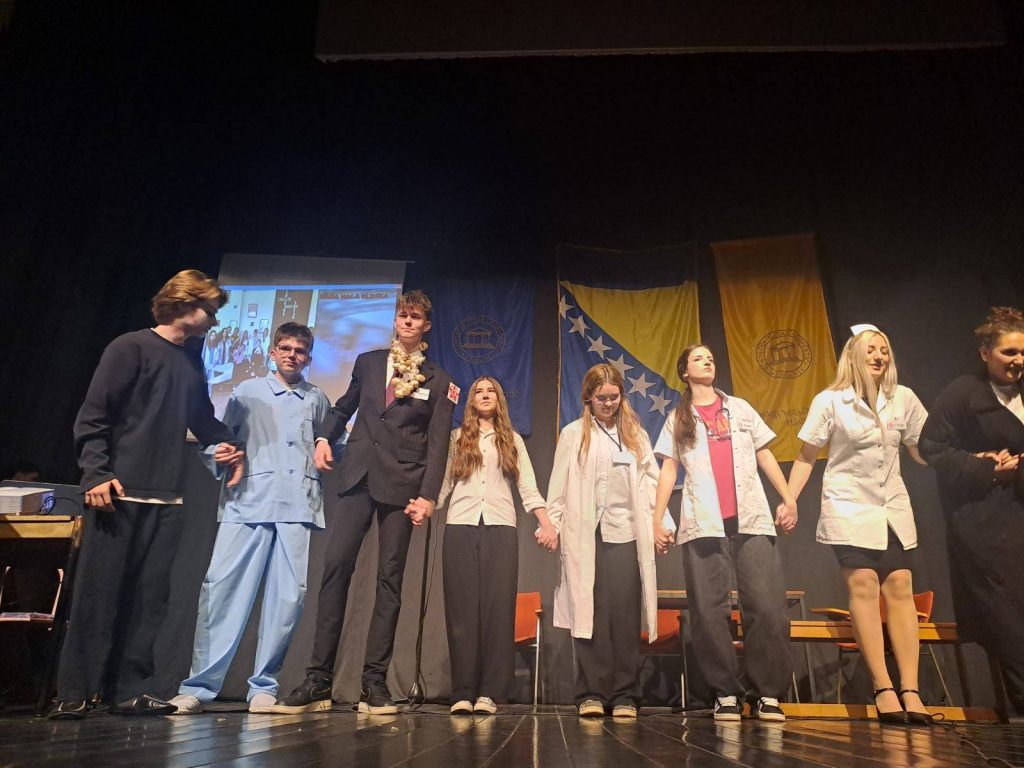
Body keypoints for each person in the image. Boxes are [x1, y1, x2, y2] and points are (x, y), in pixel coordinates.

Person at [50, 269, 245, 720]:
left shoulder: (191, 362)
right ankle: (75, 691)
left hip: (167, 498)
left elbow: (201, 418)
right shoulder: (129, 347)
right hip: (118, 494)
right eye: (210, 310)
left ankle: (129, 691)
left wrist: (228, 443)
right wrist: (96, 474)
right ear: (184, 303)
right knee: (99, 596)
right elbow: (94, 416)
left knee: (148, 602)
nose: (214, 321)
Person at [272, 290, 457, 715]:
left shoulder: (440, 380)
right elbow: (344, 407)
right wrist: (324, 437)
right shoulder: (369, 362)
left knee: (389, 582)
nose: (407, 321)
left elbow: (438, 445)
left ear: (426, 326)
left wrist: (429, 496)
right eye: (403, 315)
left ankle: (374, 682)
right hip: (358, 477)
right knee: (336, 569)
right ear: (395, 320)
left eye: (415, 317)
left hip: (403, 486)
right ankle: (318, 679)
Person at [169, 323, 331, 715]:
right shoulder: (247, 391)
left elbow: (331, 442)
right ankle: (199, 687)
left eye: (300, 351)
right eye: (285, 348)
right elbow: (222, 440)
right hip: (248, 502)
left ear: (309, 358)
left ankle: (264, 687)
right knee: (222, 593)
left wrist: (328, 448)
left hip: (296, 506)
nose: (292, 355)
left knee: (287, 600)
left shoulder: (317, 398)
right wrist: (218, 456)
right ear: (273, 352)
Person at [788, 325, 930, 725]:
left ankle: (910, 689)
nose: (879, 356)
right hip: (849, 505)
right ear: (853, 356)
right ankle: (883, 688)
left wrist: (960, 459)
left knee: (900, 586)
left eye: (884, 350)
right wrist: (789, 498)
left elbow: (922, 449)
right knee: (865, 584)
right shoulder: (831, 400)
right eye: (871, 350)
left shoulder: (903, 398)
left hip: (891, 507)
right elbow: (806, 455)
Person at [652, 344, 796, 722]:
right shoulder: (679, 417)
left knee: (767, 608)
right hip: (704, 525)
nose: (708, 361)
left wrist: (788, 498)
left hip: (750, 520)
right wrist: (657, 518)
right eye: (698, 358)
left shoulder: (740, 408)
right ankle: (725, 692)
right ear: (685, 372)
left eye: (711, 357)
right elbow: (669, 470)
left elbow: (764, 454)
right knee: (708, 612)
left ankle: (768, 693)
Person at [918, 306, 1024, 716]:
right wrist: (982, 465)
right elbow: (932, 447)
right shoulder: (964, 392)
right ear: (985, 353)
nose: (1018, 360)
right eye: (1009, 352)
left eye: (1023, 352)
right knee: (1005, 610)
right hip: (984, 521)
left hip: (1019, 507)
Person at [437, 376, 558, 716]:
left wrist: (546, 523)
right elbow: (443, 483)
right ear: (471, 400)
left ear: (499, 398)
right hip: (460, 526)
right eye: (479, 391)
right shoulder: (456, 438)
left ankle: (489, 692)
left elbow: (528, 487)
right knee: (462, 611)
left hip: (501, 527)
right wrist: (425, 505)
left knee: (498, 609)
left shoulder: (512, 439)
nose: (485, 395)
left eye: (491, 390)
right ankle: (463, 691)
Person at [546, 363, 659, 719]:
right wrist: (551, 525)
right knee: (588, 611)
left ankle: (626, 694)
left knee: (625, 613)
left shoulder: (636, 435)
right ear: (588, 398)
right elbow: (559, 486)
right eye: (601, 398)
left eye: (614, 397)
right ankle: (591, 693)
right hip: (586, 533)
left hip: (625, 532)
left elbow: (652, 483)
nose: (609, 404)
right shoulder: (573, 434)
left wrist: (661, 524)